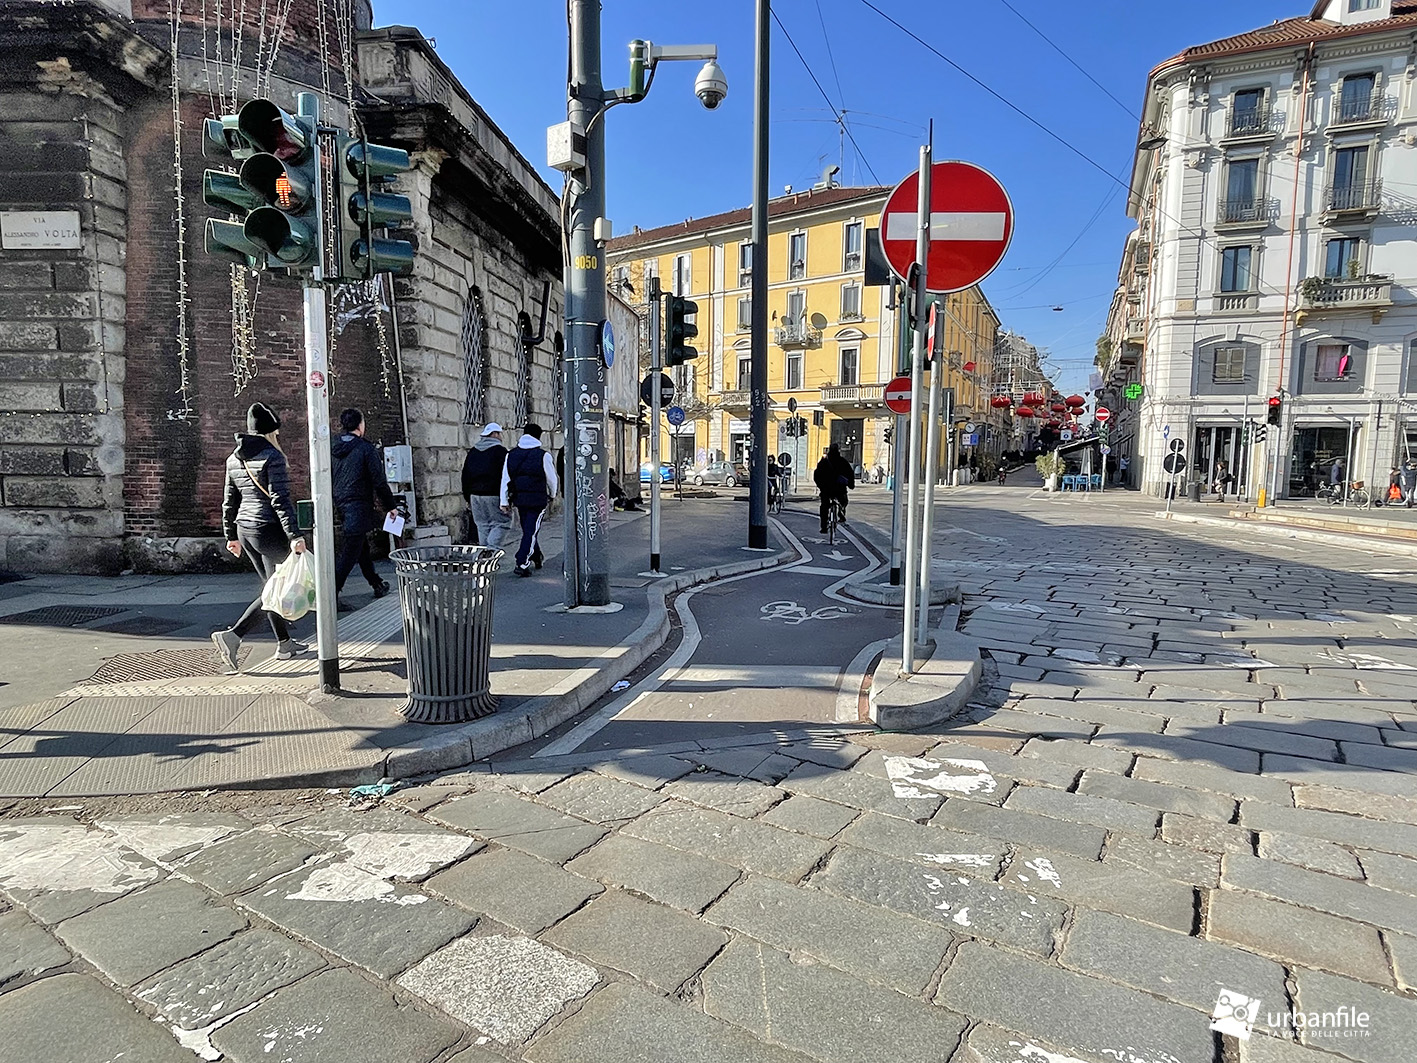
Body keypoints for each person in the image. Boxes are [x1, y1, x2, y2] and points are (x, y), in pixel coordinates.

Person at [212, 402, 307, 671]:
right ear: (270, 432)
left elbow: (229, 501)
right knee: (276, 590)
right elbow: (280, 500)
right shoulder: (272, 456)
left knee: (271, 585)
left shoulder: (234, 458)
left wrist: (230, 535)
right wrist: (294, 535)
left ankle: (285, 644)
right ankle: (233, 635)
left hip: (245, 530)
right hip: (268, 530)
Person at [331, 408, 397, 611]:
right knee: (350, 552)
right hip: (358, 503)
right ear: (360, 425)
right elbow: (378, 480)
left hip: (340, 504)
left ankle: (376, 583)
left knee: (360, 546)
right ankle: (330, 595)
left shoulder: (331, 447)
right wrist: (390, 506)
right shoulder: (365, 449)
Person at [500, 422, 559, 576]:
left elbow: (505, 479)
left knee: (528, 529)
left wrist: (504, 501)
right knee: (531, 531)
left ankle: (536, 555)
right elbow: (551, 479)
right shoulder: (543, 455)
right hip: (537, 499)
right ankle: (522, 562)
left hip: (519, 498)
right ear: (538, 437)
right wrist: (552, 495)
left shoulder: (511, 454)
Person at [462, 422, 511, 549]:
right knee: (502, 523)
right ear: (494, 434)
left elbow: (465, 475)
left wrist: (468, 497)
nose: (501, 437)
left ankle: (483, 553)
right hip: (494, 494)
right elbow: (506, 476)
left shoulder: (473, 451)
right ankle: (490, 550)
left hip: (475, 495)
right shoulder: (501, 452)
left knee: (482, 525)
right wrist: (507, 497)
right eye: (500, 433)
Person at [813, 442, 855, 533]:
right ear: (838, 450)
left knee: (824, 507)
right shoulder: (842, 461)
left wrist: (820, 486)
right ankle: (841, 513)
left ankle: (824, 527)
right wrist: (851, 485)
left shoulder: (823, 462)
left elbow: (816, 475)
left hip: (826, 490)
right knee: (843, 501)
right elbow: (850, 473)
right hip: (839, 490)